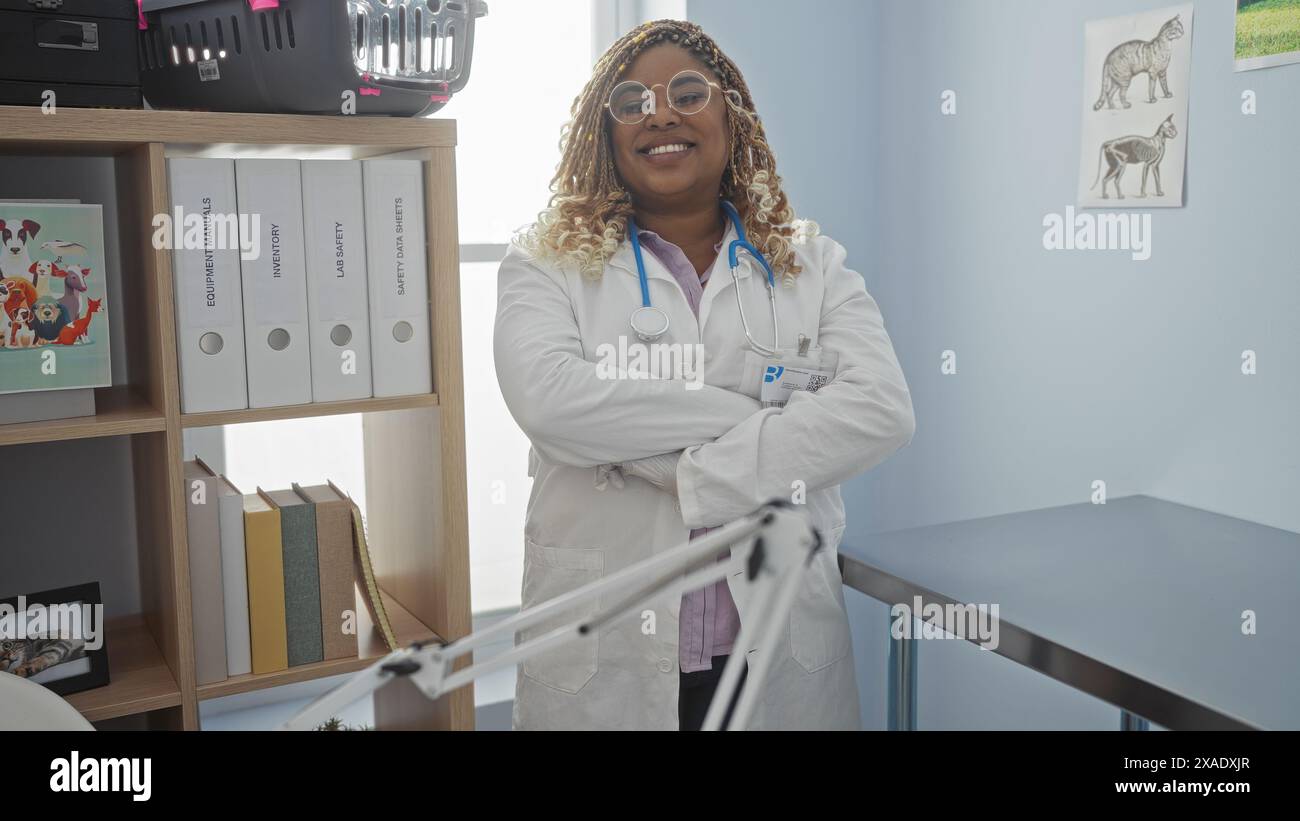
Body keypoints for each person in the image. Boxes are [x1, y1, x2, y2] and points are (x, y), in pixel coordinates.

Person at [494, 19, 915, 730]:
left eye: (687, 92)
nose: (659, 113)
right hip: (607, 656)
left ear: (733, 116)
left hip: (771, 655)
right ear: (607, 133)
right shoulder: (545, 262)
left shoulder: (813, 265)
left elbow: (881, 410)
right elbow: (551, 403)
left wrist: (695, 477)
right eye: (631, 103)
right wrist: (748, 421)